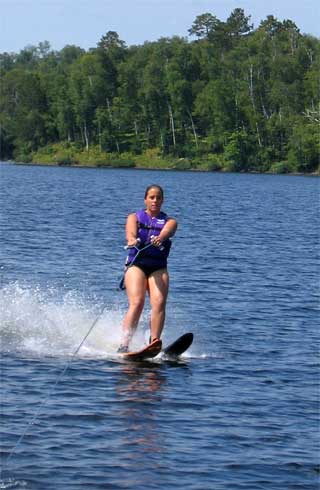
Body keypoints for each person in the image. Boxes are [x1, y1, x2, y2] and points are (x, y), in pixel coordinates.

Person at [118, 185, 178, 353]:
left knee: (159, 303)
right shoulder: (134, 217)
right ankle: (124, 344)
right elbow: (130, 232)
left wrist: (161, 238)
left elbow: (168, 231)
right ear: (145, 199)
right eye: (152, 197)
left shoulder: (170, 221)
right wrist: (131, 240)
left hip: (158, 267)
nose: (155, 201)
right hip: (136, 265)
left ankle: (155, 342)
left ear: (162, 201)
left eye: (158, 198)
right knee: (137, 303)